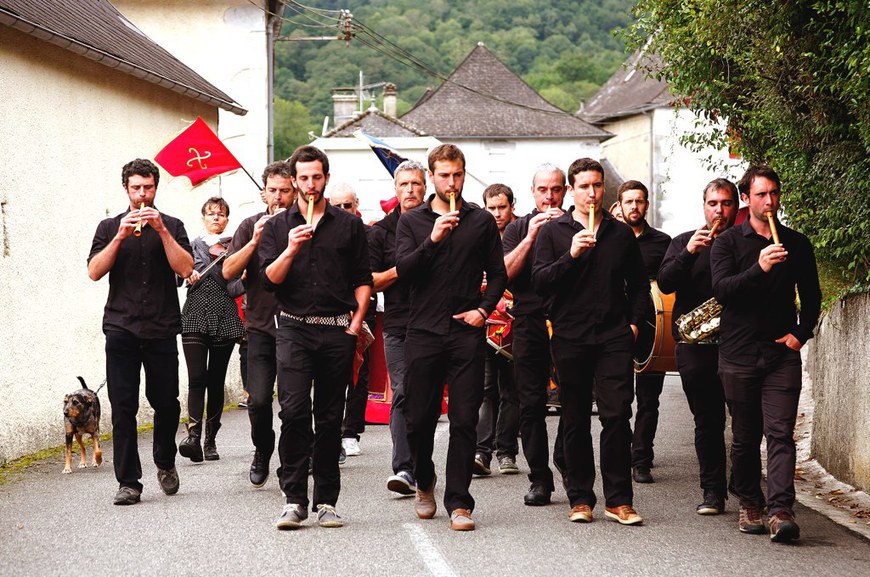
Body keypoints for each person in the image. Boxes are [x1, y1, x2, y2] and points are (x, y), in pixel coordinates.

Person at [260, 146, 372, 529]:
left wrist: (356, 323)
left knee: (328, 418)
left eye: (317, 177)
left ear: (325, 176)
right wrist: (292, 247)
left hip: (337, 328)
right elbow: (269, 279)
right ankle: (294, 498)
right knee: (293, 412)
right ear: (294, 181)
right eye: (303, 178)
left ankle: (326, 500)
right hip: (292, 327)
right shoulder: (277, 226)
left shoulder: (349, 224)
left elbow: (363, 278)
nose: (310, 185)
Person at [396, 144, 507, 531]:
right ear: (431, 177)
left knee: (464, 419)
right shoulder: (412, 221)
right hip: (423, 332)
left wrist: (483, 310)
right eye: (444, 175)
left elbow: (499, 273)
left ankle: (460, 502)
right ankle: (424, 481)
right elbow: (404, 272)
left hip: (466, 333)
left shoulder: (480, 221)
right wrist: (434, 240)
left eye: (457, 174)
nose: (452, 182)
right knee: (418, 419)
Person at [531, 158, 647, 526]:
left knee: (616, 415)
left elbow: (640, 286)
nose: (592, 193)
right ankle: (580, 498)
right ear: (571, 191)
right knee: (575, 418)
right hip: (570, 335)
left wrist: (633, 326)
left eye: (597, 185)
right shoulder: (553, 233)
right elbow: (540, 281)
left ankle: (619, 499)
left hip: (614, 336)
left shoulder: (620, 233)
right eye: (584, 186)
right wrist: (572, 255)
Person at [710, 165, 821, 542]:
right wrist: (758, 267)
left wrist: (800, 334)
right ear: (747, 198)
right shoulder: (728, 242)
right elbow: (723, 290)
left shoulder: (796, 243)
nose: (770, 201)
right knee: (744, 436)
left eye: (774, 193)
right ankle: (749, 502)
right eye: (761, 194)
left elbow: (813, 295)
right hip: (738, 352)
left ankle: (781, 510)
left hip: (779, 354)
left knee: (780, 434)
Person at [87, 158, 194, 505]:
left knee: (166, 403)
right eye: (136, 188)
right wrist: (119, 235)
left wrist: (162, 230)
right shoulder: (107, 227)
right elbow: (94, 271)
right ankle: (129, 482)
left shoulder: (174, 225)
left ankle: (164, 462)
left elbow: (186, 268)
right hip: (121, 327)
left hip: (161, 327)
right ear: (126, 190)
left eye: (148, 187)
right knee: (123, 406)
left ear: (155, 187)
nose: (142, 194)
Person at [658, 178, 738, 514]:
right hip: (695, 344)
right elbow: (665, 282)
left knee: (747, 420)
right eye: (712, 203)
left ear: (736, 206)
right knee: (708, 421)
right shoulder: (682, 242)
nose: (718, 210)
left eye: (725, 203)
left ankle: (746, 487)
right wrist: (689, 253)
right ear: (703, 206)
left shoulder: (744, 243)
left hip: (738, 342)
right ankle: (713, 492)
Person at [222, 161, 296, 488]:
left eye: (285, 191)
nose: (278, 198)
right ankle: (262, 449)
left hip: (297, 328)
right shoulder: (248, 225)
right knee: (260, 401)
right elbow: (227, 273)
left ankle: (292, 462)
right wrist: (253, 242)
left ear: (295, 191)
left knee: (295, 405)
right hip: (260, 328)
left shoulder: (304, 224)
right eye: (273, 191)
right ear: (263, 191)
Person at [502, 164, 566, 505]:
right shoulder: (516, 228)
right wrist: (531, 236)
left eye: (555, 189)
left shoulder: (576, 225)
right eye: (543, 189)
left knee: (574, 400)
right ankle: (539, 478)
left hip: (570, 322)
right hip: (528, 321)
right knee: (530, 405)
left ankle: (564, 459)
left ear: (566, 191)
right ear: (533, 192)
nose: (550, 196)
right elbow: (506, 274)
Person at [368, 160, 427, 496]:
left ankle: (425, 465)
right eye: (404, 184)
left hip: (437, 324)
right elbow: (372, 280)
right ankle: (404, 469)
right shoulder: (381, 232)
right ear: (395, 188)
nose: (410, 190)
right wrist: (405, 267)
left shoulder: (441, 222)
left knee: (427, 398)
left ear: (425, 186)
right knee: (403, 393)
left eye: (416, 184)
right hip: (399, 325)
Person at [177, 197, 245, 463]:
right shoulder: (191, 246)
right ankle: (193, 436)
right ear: (203, 217)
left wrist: (245, 279)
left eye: (221, 214)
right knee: (197, 378)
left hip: (224, 316)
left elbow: (236, 288)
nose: (216, 217)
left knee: (216, 380)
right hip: (194, 314)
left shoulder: (235, 248)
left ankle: (210, 439)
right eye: (211, 213)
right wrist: (186, 273)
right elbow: (177, 274)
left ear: (227, 219)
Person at [617, 180, 672, 484]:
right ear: (620, 206)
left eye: (639, 201)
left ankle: (642, 459)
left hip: (654, 328)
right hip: (617, 329)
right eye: (629, 202)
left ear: (646, 205)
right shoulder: (610, 239)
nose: (634, 207)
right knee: (621, 398)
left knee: (649, 399)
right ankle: (623, 453)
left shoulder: (663, 242)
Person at [474, 184, 520, 476]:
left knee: (512, 391)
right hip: (486, 325)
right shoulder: (479, 235)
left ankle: (507, 452)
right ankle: (482, 451)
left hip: (515, 325)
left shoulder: (521, 234)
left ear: (512, 206)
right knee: (486, 389)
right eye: (491, 208)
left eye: (502, 207)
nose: (497, 213)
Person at [329, 183, 374, 459]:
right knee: (332, 377)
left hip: (361, 311)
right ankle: (332, 434)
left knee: (359, 374)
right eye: (337, 206)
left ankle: (351, 432)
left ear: (356, 204)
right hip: (330, 312)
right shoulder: (319, 231)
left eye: (348, 205)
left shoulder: (368, 233)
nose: (343, 211)